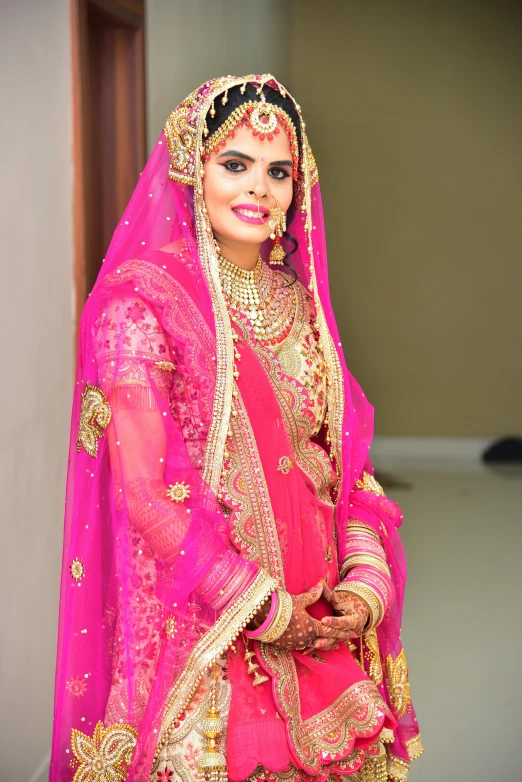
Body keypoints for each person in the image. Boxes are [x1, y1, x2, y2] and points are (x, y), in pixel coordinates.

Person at [50, 75, 422, 782]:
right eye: (236, 164)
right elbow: (145, 495)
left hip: (318, 628)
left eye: (278, 170)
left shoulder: (296, 298)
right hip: (207, 642)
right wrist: (261, 608)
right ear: (193, 167)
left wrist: (365, 575)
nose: (260, 188)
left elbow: (339, 462)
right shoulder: (142, 303)